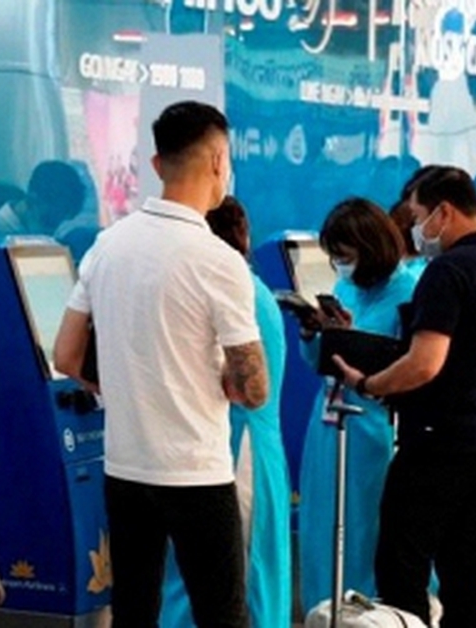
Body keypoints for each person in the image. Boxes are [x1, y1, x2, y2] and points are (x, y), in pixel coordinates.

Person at [53, 101, 268, 628]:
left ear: (156, 164)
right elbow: (254, 388)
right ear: (219, 161)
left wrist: (126, 382)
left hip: (126, 467)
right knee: (222, 615)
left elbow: (65, 355)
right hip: (197, 470)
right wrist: (226, 381)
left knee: (134, 611)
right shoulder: (219, 261)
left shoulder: (107, 246)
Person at [333, 166, 476, 627]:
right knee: (463, 569)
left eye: (418, 217)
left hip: (439, 443)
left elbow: (424, 363)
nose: (416, 230)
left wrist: (367, 384)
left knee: (401, 563)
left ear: (444, 212)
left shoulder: (449, 271)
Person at [160, 196, 291, 628]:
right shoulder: (238, 287)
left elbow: (243, 386)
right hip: (234, 443)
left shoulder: (236, 292)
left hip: (240, 448)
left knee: (239, 577)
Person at [296, 197, 420, 611]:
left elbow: (410, 366)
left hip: (373, 427)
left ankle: (363, 613)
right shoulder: (346, 287)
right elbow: (322, 361)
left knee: (364, 527)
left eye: (346, 256)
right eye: (335, 257)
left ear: (371, 248)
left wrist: (355, 343)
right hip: (328, 423)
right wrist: (315, 335)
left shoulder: (408, 293)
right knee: (319, 526)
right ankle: (321, 611)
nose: (340, 266)